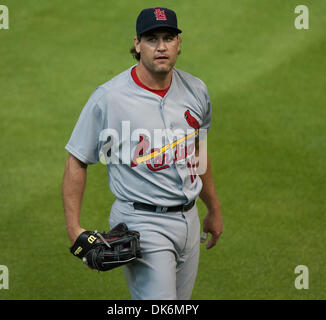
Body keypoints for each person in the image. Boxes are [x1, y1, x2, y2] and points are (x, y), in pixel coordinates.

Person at [62, 7, 223, 300]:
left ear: (178, 43)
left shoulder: (196, 91)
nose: (161, 46)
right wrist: (74, 229)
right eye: (151, 39)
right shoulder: (109, 98)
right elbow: (77, 159)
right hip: (143, 223)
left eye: (168, 37)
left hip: (190, 220)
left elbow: (198, 150)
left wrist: (213, 207)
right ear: (137, 44)